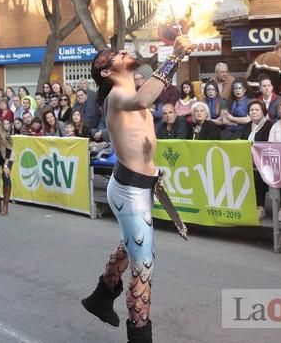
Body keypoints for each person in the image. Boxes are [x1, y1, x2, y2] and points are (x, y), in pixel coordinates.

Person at [82, 35, 194, 343]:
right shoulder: (117, 95)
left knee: (129, 247)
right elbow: (145, 99)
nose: (122, 52)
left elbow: (147, 102)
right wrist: (176, 57)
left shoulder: (131, 89)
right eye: (114, 54)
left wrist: (152, 169)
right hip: (130, 191)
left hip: (137, 185)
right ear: (105, 72)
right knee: (143, 266)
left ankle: (101, 297)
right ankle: (139, 336)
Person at [241, 100, 274, 219]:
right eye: (251, 110)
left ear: (263, 112)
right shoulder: (247, 126)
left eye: (257, 109)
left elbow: (267, 144)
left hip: (263, 161)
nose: (253, 112)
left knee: (257, 174)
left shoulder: (269, 125)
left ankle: (260, 207)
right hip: (247, 159)